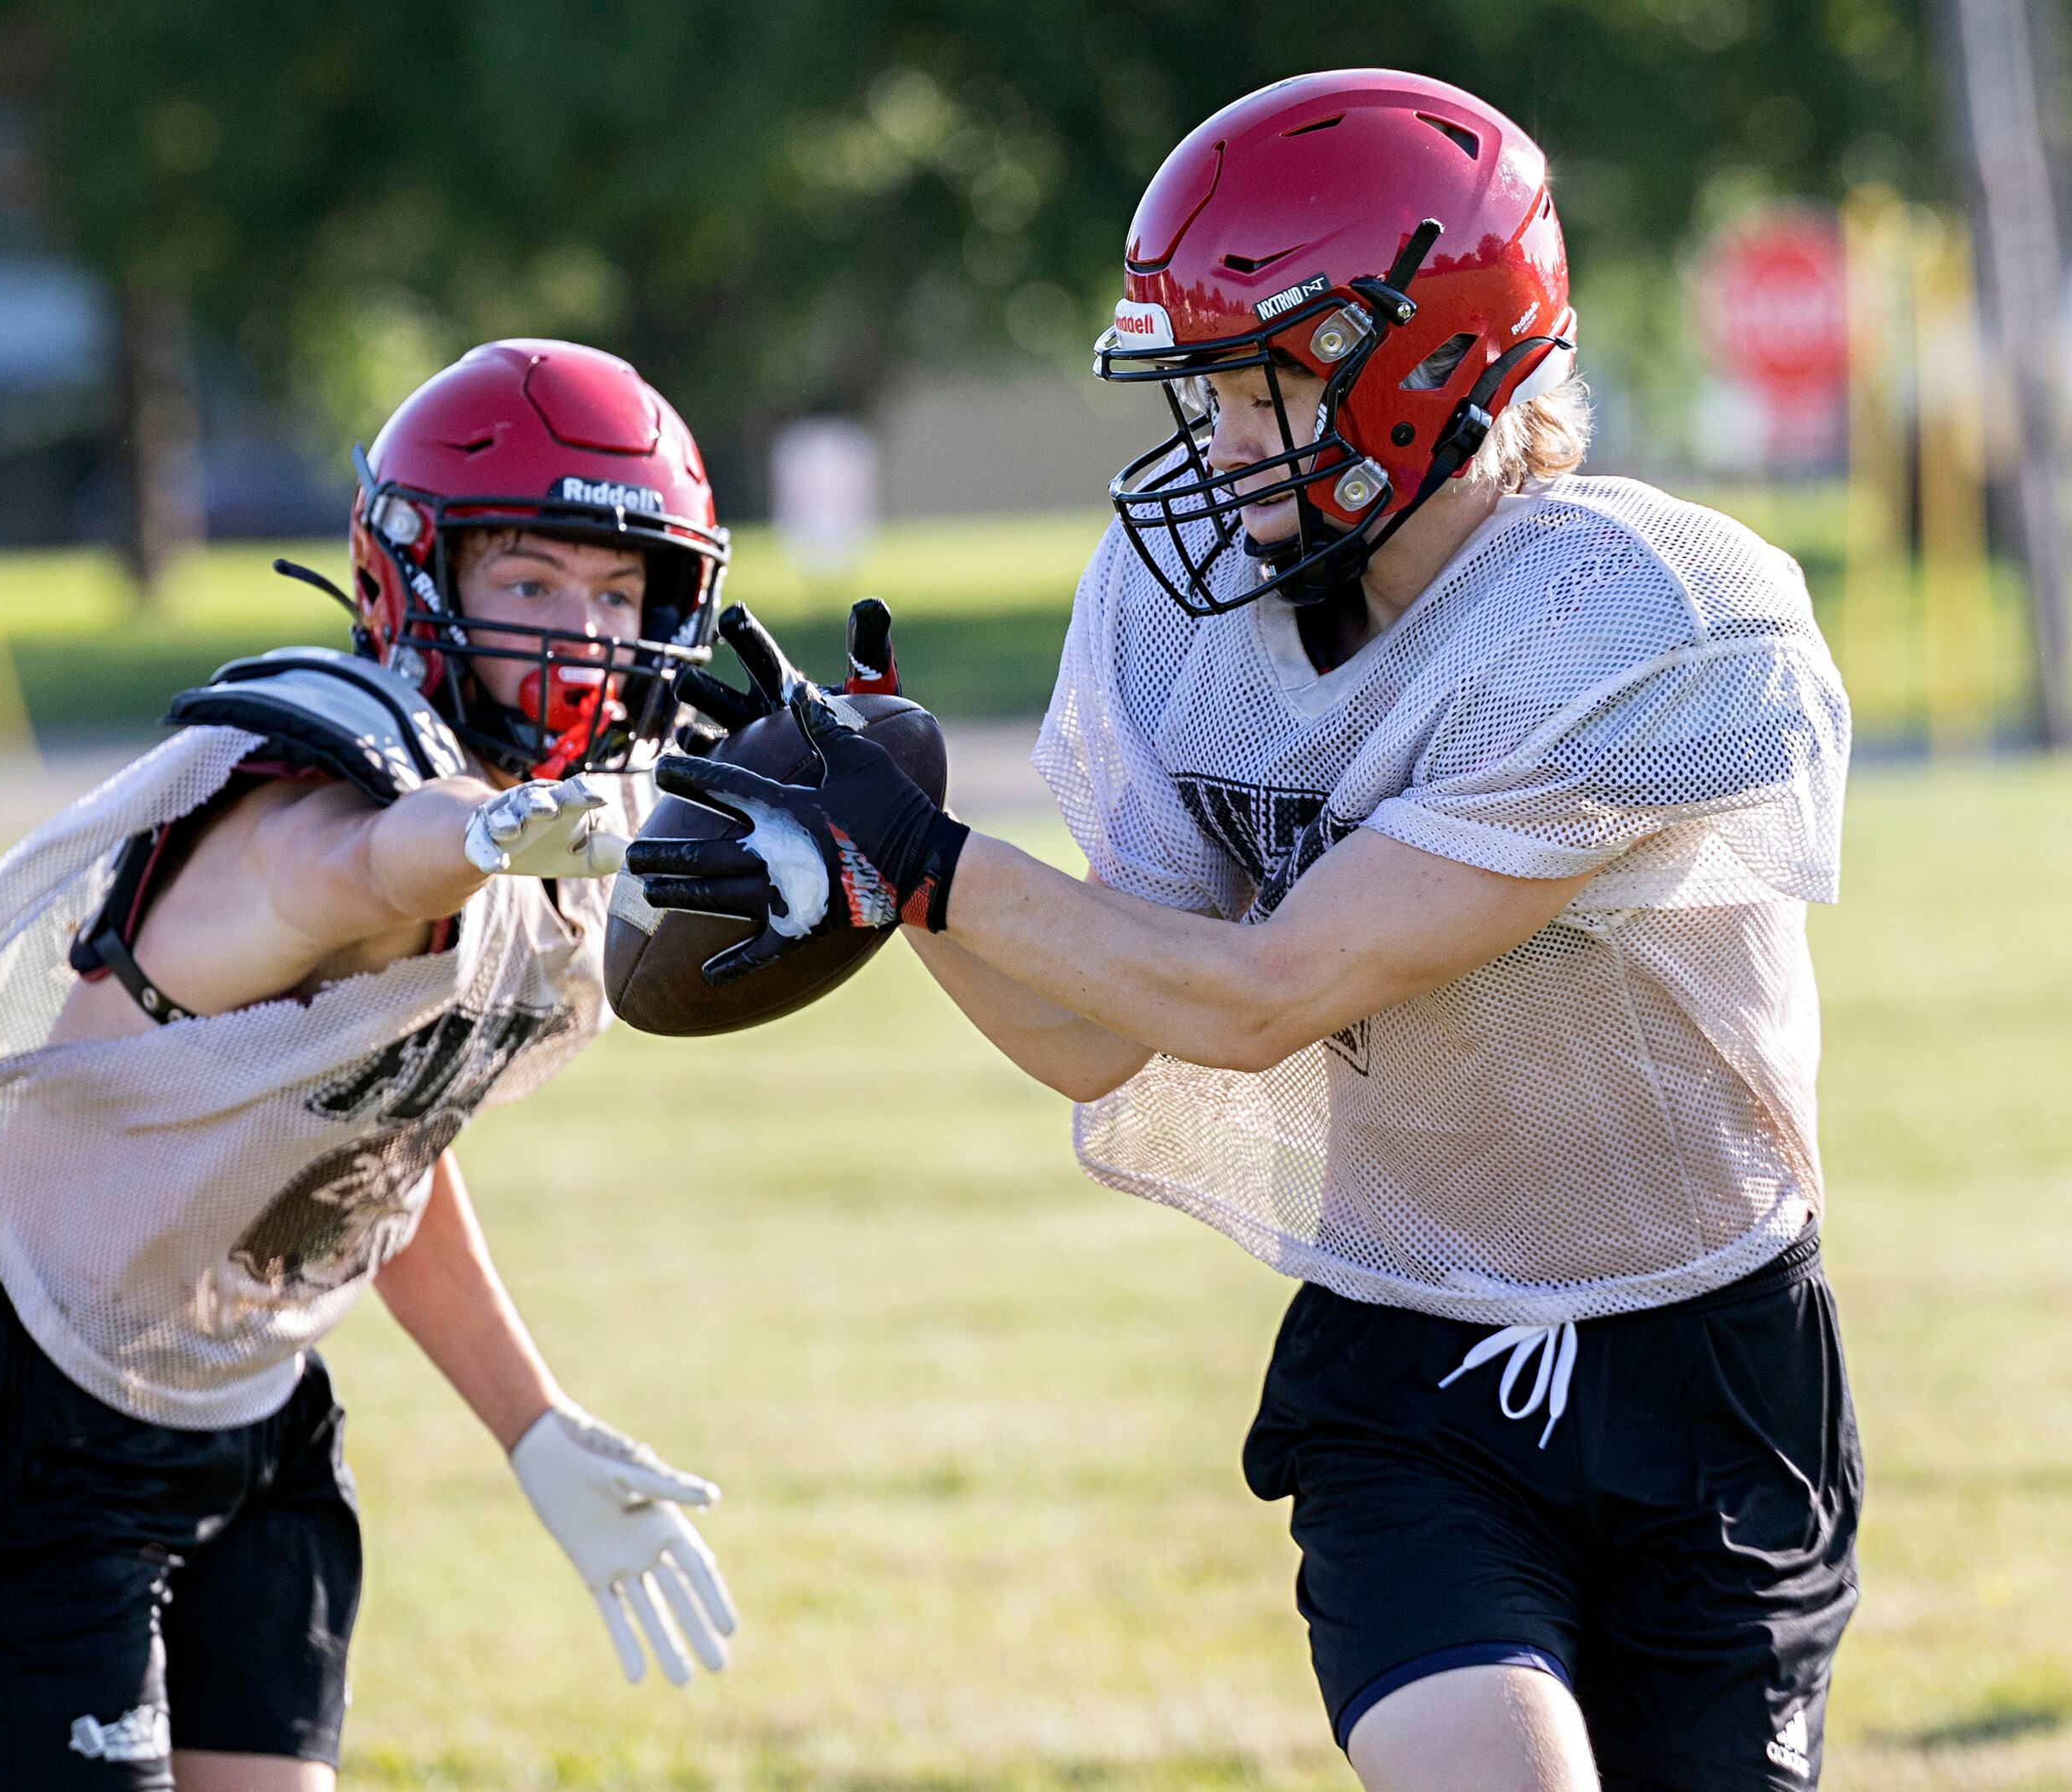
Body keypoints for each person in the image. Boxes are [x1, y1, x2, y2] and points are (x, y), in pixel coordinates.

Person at [626, 70, 1858, 1792]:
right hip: (1407, 1356)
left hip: (1703, 1363)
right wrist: (893, 885)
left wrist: (936, 850)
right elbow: (1099, 1025)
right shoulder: (1175, 612)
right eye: (1198, 386)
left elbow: (1263, 994)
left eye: (1263, 381)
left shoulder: (1637, 613)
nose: (1215, 438)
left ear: (1437, 360)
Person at [0, 340, 740, 1791]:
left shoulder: (550, 812)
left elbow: (368, 1148)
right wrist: (488, 838)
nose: (583, 635)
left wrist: (533, 1426)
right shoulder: (319, 801)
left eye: (618, 593)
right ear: (416, 582)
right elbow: (355, 863)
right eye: (529, 585)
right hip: (49, 1392)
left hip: (257, 1405)